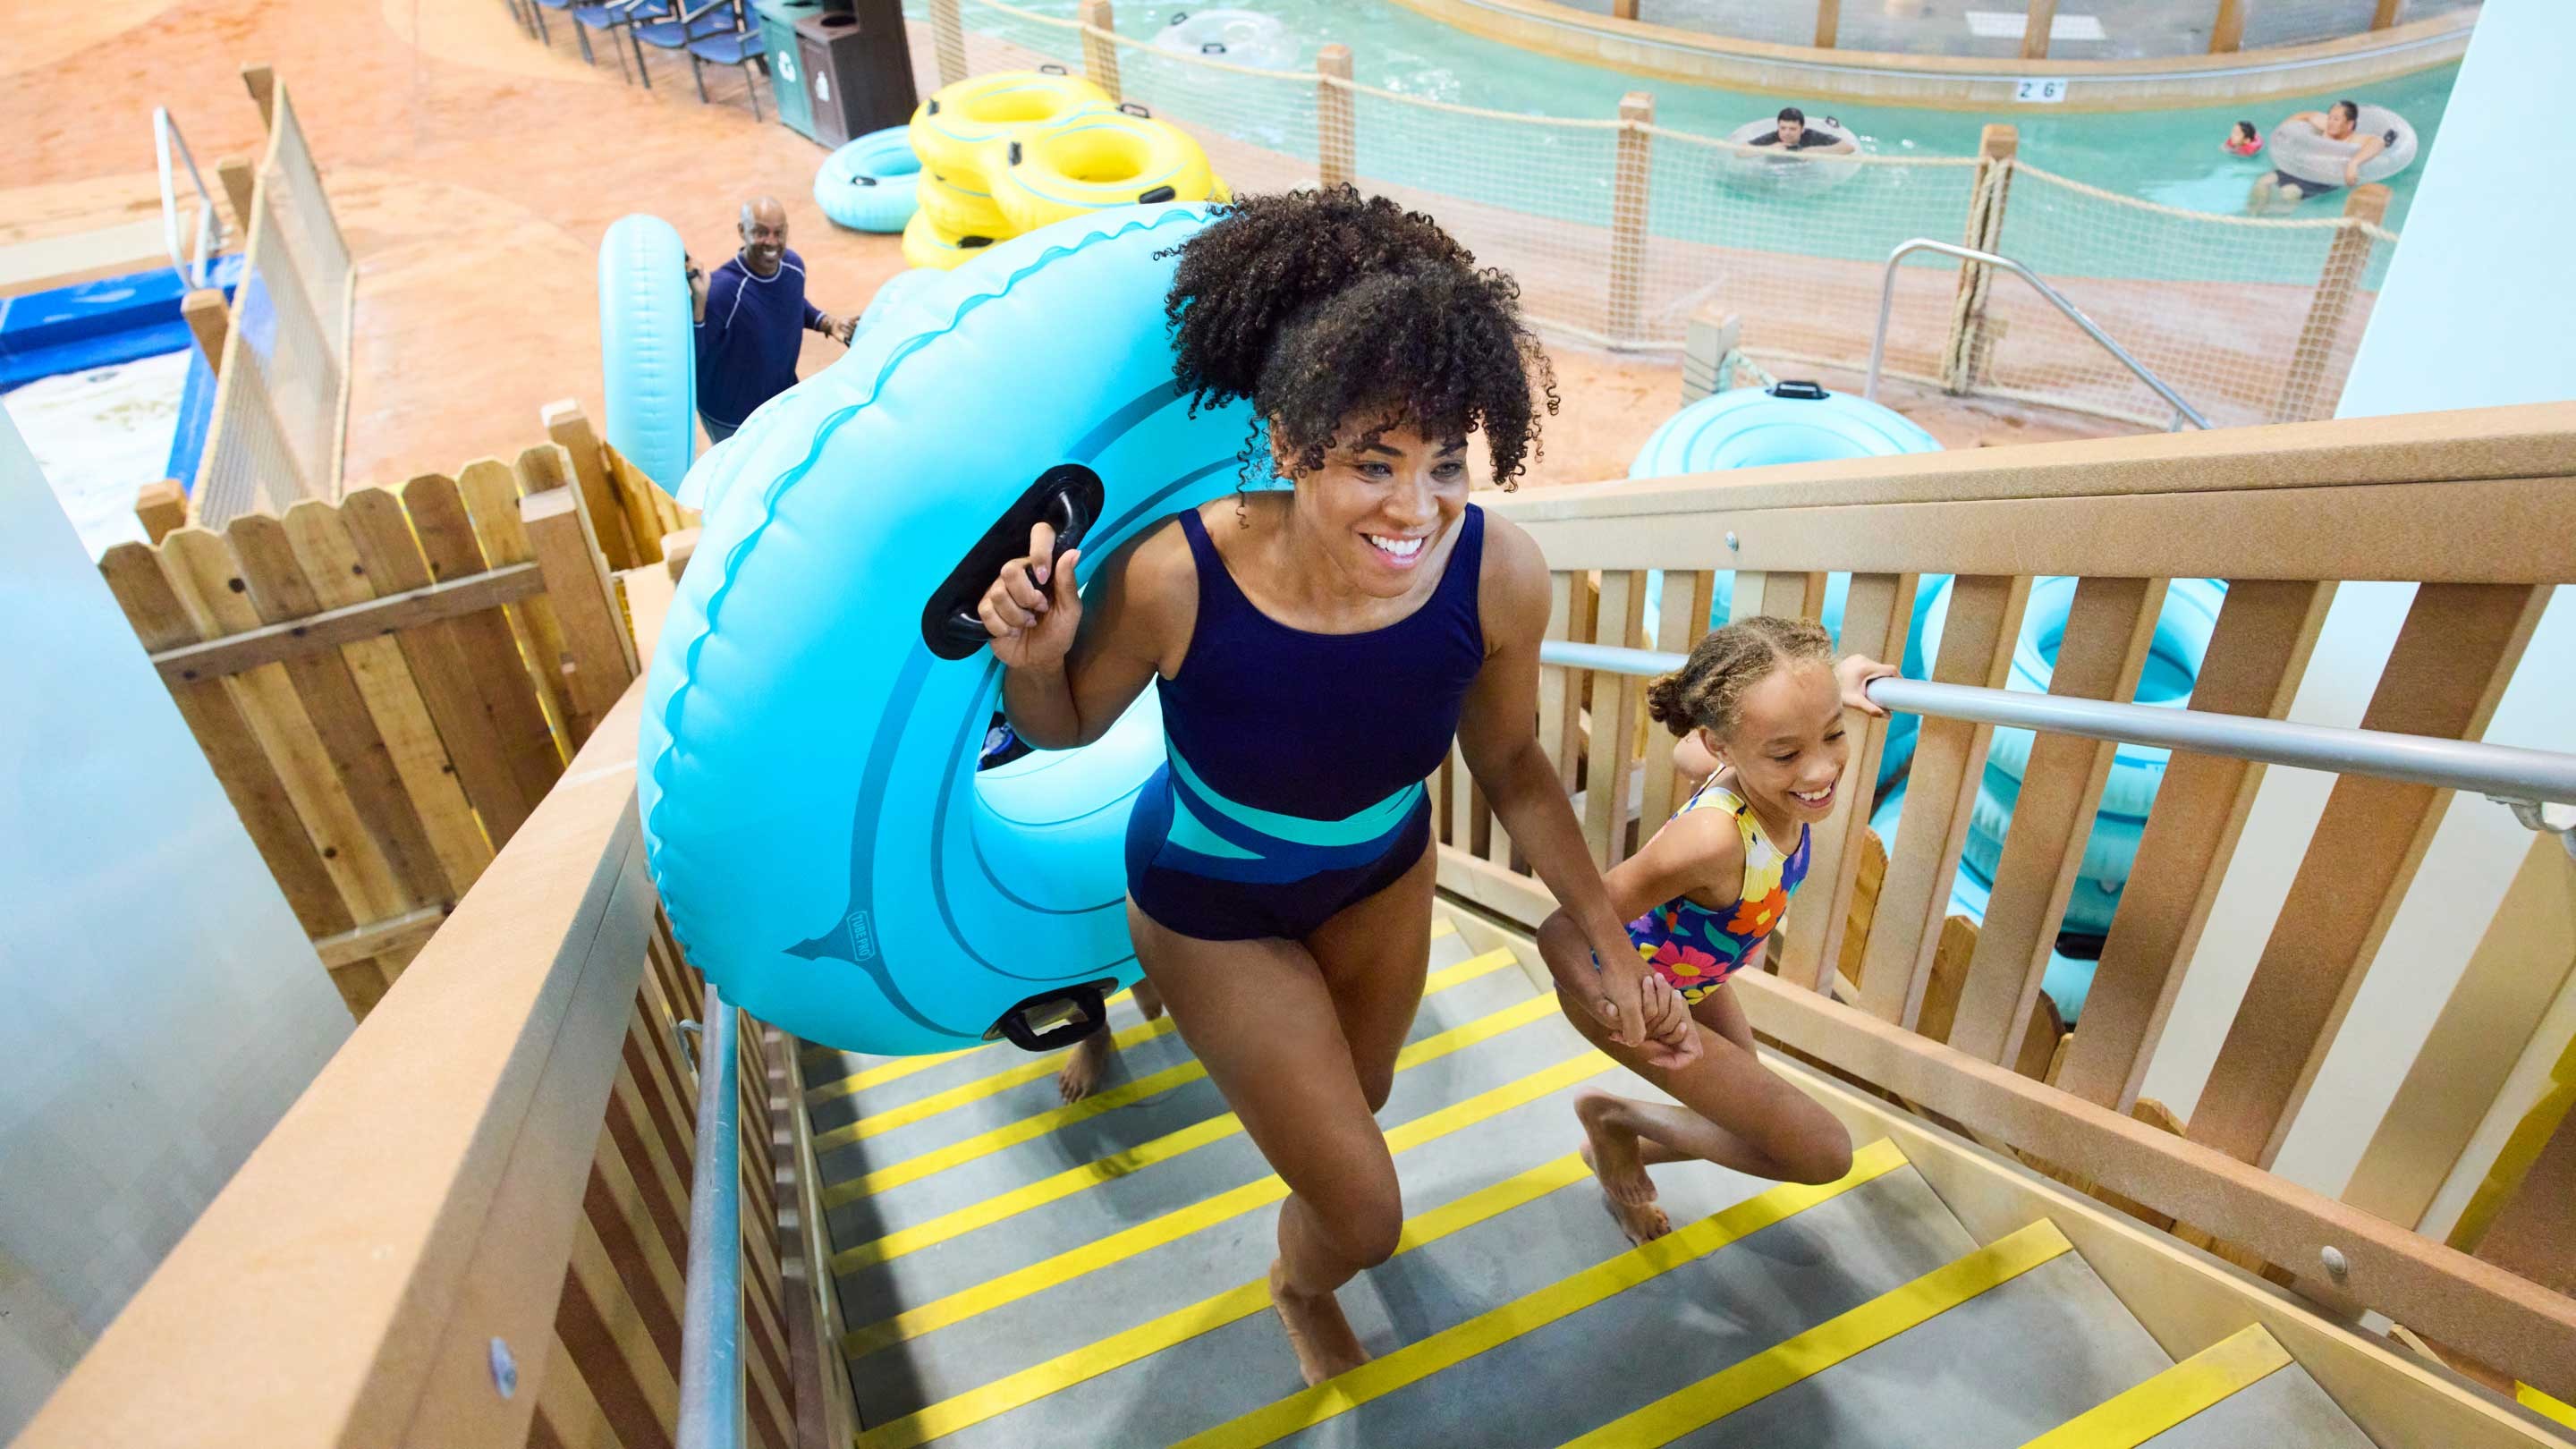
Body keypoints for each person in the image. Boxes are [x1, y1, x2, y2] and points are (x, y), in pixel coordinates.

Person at [973, 188, 1695, 1386]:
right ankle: (1298, 1281)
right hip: (1209, 901)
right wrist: (1037, 666)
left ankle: (1309, 1234)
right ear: (1293, 440)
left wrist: (1615, 947)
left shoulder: (1499, 574)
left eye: (1445, 464)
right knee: (1362, 1212)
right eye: (1374, 463)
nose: (1415, 508)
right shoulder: (1176, 575)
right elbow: (1061, 731)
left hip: (1381, 874)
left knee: (1364, 1096)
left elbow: (1512, 764)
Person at [1537, 617, 1894, 1246]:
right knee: (1820, 1153)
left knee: (1748, 1124)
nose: (1819, 771)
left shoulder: (1727, 751)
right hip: (1626, 996)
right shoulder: (1712, 839)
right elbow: (1562, 929)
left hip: (1697, 982)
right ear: (1724, 747)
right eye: (1786, 753)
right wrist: (1613, 1001)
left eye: (1833, 733)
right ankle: (1615, 1120)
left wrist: (1825, 687)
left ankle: (1614, 1126)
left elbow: (1686, 751)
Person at [686, 197, 857, 445]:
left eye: (779, 233)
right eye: (761, 232)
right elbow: (694, 356)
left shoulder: (793, 266)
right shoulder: (723, 291)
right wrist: (699, 303)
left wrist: (825, 322)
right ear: (742, 231)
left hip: (781, 398)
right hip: (733, 419)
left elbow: (792, 302)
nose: (772, 242)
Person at [2255, 99, 2384, 210]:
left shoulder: (2354, 139)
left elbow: (2378, 142)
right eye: (2330, 117)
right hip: (2301, 169)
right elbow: (2305, 115)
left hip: (2321, 181)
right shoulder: (2327, 126)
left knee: (2289, 192)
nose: (2330, 122)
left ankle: (2276, 221)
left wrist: (2354, 163)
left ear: (2349, 124)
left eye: (2336, 119)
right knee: (2263, 181)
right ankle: (2254, 214)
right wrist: (2282, 130)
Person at [1747, 106, 1854, 156]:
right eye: (1783, 128)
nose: (1786, 133)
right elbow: (1740, 151)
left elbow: (1848, 148)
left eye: (1792, 129)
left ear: (1802, 129)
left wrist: (1814, 151)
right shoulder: (1773, 138)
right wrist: (1769, 149)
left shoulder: (1811, 136)